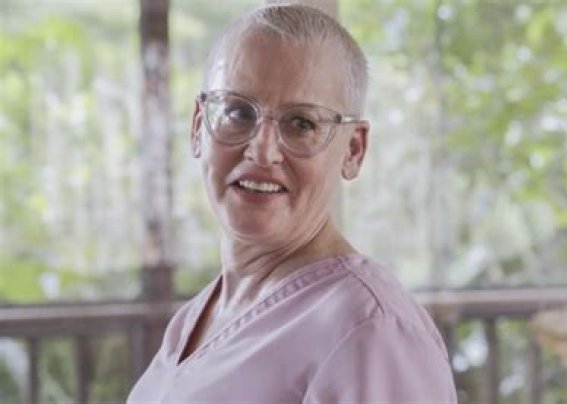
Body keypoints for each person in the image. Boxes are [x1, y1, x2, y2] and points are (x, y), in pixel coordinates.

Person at [128, 3, 456, 403]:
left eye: (302, 123)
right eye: (237, 112)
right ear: (199, 126)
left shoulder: (370, 331)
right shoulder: (194, 320)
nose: (262, 151)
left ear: (353, 150)